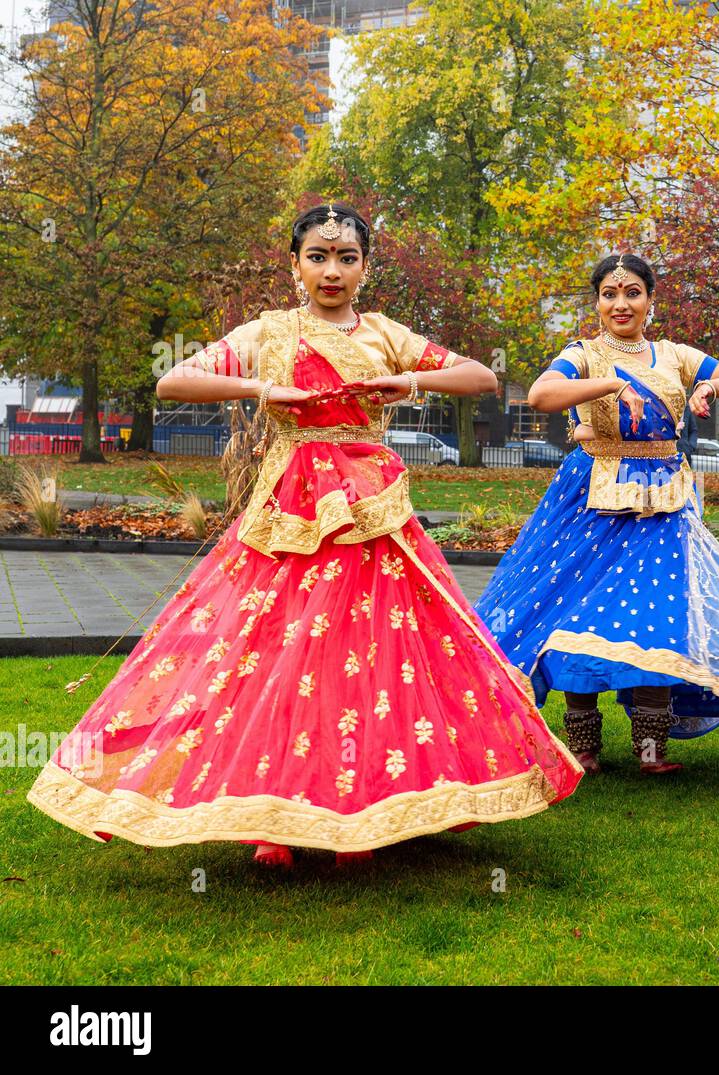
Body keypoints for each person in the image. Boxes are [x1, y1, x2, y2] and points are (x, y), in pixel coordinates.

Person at [27, 203, 582, 868]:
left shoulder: (382, 333)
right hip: (288, 513)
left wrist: (409, 379)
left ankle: (368, 809)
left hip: (373, 517)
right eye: (318, 256)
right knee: (275, 653)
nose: (331, 270)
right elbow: (175, 378)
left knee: (374, 658)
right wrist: (261, 390)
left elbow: (482, 377)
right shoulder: (272, 331)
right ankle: (272, 816)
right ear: (294, 266)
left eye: (347, 258)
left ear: (366, 269)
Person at [474, 253, 719, 774]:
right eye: (610, 294)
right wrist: (611, 384)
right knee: (576, 616)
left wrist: (709, 385)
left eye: (632, 293)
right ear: (596, 303)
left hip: (664, 504)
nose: (620, 304)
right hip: (591, 499)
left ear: (650, 302)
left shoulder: (673, 355)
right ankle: (584, 747)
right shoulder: (584, 354)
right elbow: (543, 395)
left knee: (655, 621)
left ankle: (652, 750)